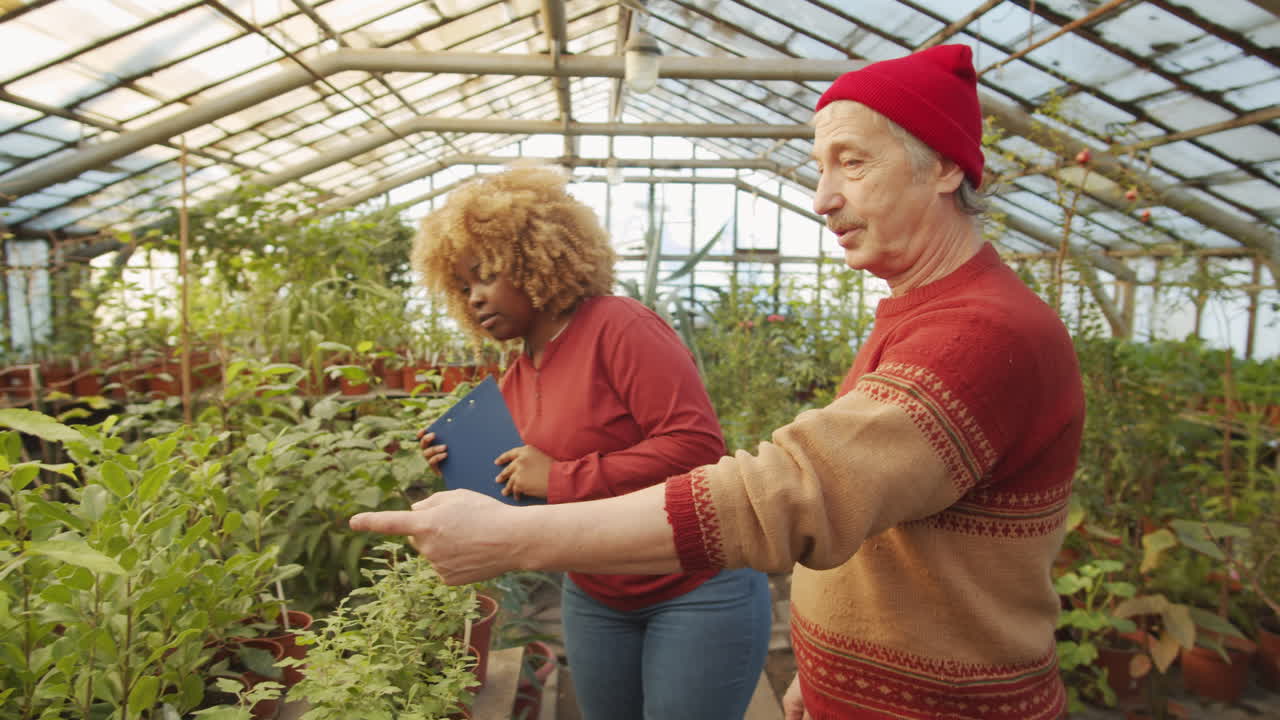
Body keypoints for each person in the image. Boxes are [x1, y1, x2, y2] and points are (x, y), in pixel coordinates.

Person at [354, 45, 1083, 720]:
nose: (822, 197)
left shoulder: (982, 331)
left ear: (947, 166)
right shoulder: (918, 314)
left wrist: (516, 538)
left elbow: (792, 491)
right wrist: (818, 663)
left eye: (851, 163)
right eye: (820, 168)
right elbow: (878, 512)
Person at [405, 165, 771, 720]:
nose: (474, 298)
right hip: (597, 593)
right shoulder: (519, 374)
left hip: (694, 586)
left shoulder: (617, 326)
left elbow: (697, 447)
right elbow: (524, 492)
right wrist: (466, 468)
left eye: (484, 275)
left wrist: (558, 475)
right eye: (462, 288)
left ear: (533, 259)